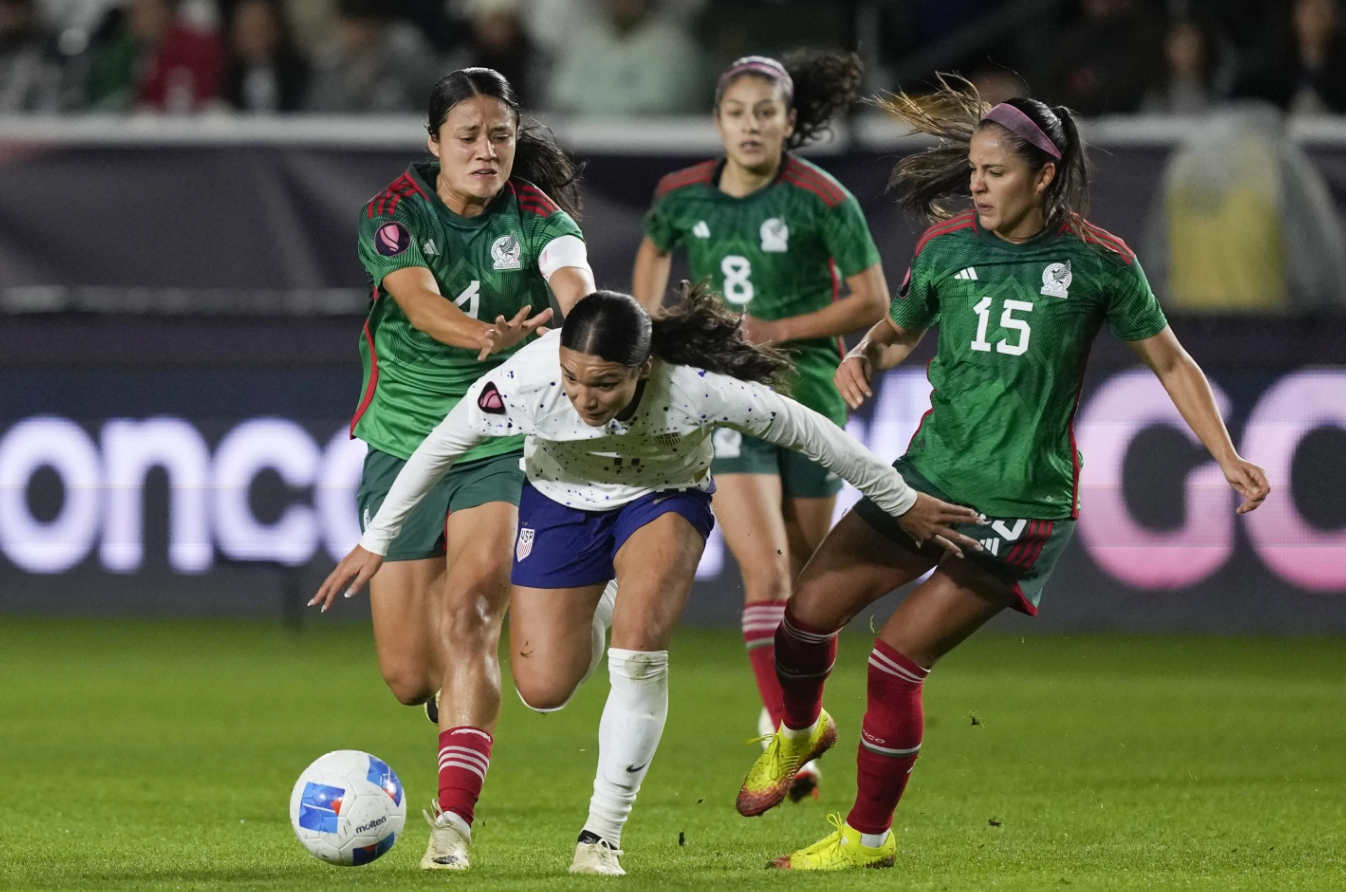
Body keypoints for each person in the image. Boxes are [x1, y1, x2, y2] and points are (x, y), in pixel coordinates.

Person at [735, 80, 1271, 870]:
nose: (976, 185)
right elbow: (896, 330)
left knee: (894, 663)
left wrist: (1225, 454)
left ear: (1044, 175)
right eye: (974, 170)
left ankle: (866, 839)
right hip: (922, 481)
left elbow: (1170, 359)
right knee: (805, 617)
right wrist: (865, 355)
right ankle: (800, 731)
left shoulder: (1099, 262)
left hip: (1018, 507)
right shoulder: (946, 247)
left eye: (994, 171)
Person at [313, 286, 985, 877]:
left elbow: (812, 433)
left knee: (637, 656)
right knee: (543, 689)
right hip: (558, 503)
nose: (583, 397)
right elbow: (440, 447)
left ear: (643, 369)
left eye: (603, 383)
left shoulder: (694, 386)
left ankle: (600, 838)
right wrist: (375, 542)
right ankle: (606, 597)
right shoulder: (524, 380)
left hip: (661, 499)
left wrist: (901, 502)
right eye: (574, 379)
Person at [309, 67, 597, 872]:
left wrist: (587, 325)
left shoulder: (542, 220)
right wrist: (481, 335)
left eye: (499, 136)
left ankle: (453, 827)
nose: (486, 150)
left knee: (471, 612)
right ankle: (455, 708)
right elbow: (421, 304)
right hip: (404, 447)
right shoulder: (392, 215)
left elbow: (577, 285)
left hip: (500, 445)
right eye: (467, 137)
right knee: (408, 676)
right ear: (434, 143)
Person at [632, 50, 888, 799]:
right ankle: (791, 741)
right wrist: (652, 329)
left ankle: (788, 708)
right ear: (718, 121)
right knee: (767, 571)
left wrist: (784, 327)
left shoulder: (822, 198)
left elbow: (871, 298)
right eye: (738, 113)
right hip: (725, 393)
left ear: (788, 121)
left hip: (807, 391)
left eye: (766, 113)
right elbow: (652, 246)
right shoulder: (681, 193)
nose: (751, 126)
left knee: (810, 581)